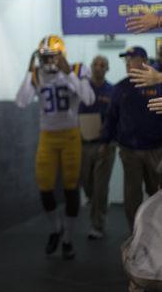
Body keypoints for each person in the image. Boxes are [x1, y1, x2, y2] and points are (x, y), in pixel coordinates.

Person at [15, 36, 95, 259]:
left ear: (61, 55)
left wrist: (69, 73)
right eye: (44, 56)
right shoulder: (37, 74)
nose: (48, 61)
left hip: (70, 135)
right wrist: (28, 72)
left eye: (52, 56)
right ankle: (56, 228)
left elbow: (89, 99)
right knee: (45, 186)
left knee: (70, 188)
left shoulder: (78, 69)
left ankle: (68, 239)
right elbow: (21, 102)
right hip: (47, 136)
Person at [101, 47, 162, 230]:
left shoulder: (157, 84)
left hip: (156, 150)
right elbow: (111, 117)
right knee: (132, 197)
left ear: (144, 61)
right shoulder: (121, 87)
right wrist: (105, 141)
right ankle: (135, 236)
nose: (128, 62)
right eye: (125, 59)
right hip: (130, 152)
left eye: (132, 58)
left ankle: (156, 237)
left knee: (157, 196)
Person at [78, 55, 115, 240]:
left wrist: (109, 139)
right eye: (95, 64)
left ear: (107, 69)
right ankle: (97, 202)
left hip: (105, 145)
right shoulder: (82, 89)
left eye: (103, 65)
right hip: (83, 143)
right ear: (91, 67)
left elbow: (116, 117)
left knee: (100, 185)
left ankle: (97, 224)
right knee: (87, 183)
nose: (98, 68)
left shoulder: (112, 91)